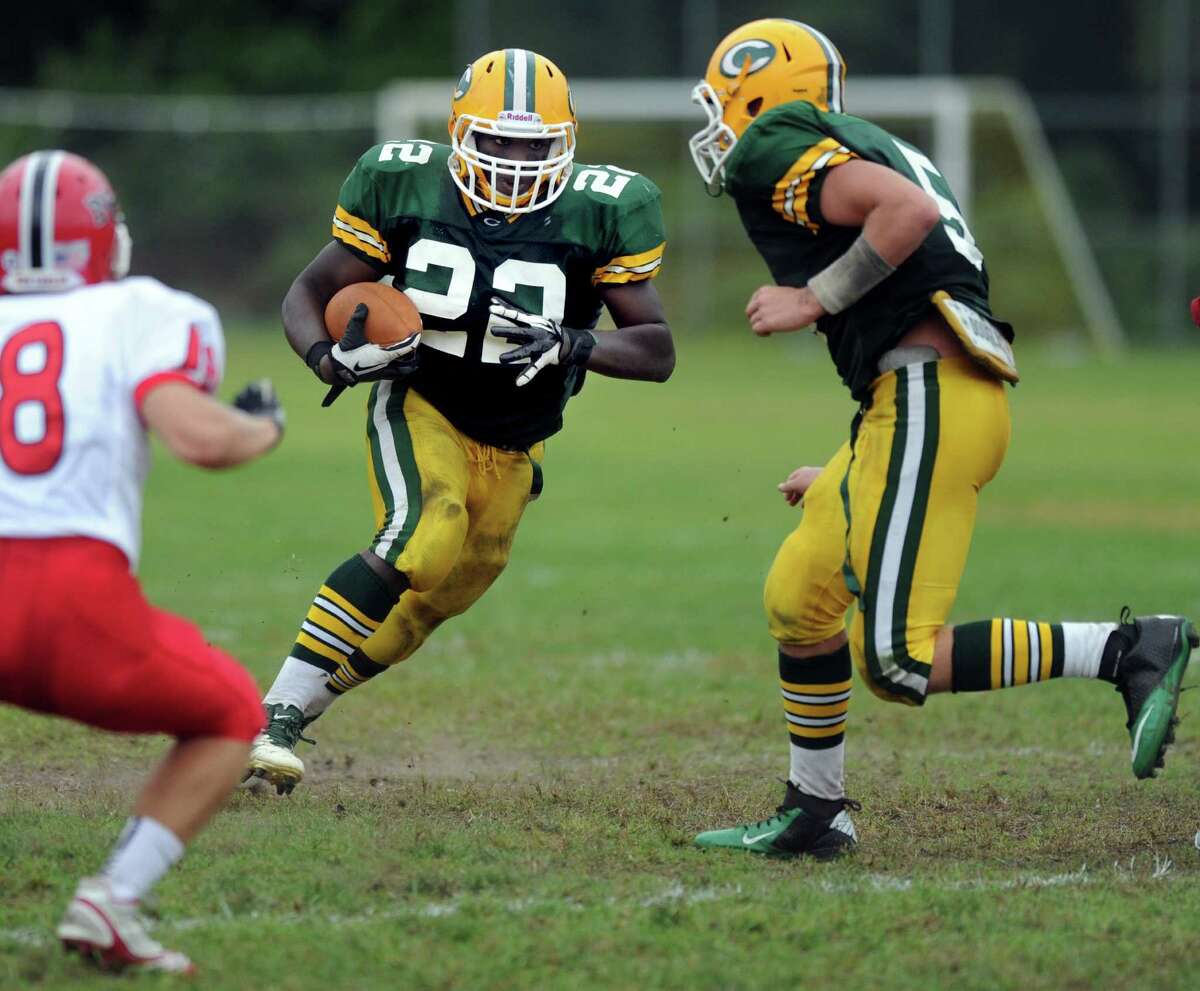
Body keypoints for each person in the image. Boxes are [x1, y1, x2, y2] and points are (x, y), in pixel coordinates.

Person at [685, 19, 1197, 858]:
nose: (721, 129)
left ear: (761, 95)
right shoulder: (862, 141)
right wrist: (858, 475)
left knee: (895, 660)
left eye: (726, 106)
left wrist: (812, 299)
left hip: (929, 396)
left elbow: (907, 213)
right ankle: (816, 811)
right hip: (912, 404)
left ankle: (1132, 647)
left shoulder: (781, 140)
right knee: (799, 597)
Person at [247, 48, 674, 793]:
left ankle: (290, 710)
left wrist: (577, 342)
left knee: (440, 594)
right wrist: (324, 357)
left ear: (568, 141)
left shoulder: (605, 207)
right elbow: (309, 290)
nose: (513, 161)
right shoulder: (404, 182)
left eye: (534, 146)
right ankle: (273, 716)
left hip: (516, 439)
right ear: (458, 133)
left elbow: (656, 348)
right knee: (424, 530)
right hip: (423, 403)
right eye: (497, 140)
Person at [0, 150, 285, 972]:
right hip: (68, 596)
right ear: (98, 236)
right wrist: (264, 425)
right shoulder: (137, 309)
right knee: (232, 710)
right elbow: (196, 435)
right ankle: (113, 898)